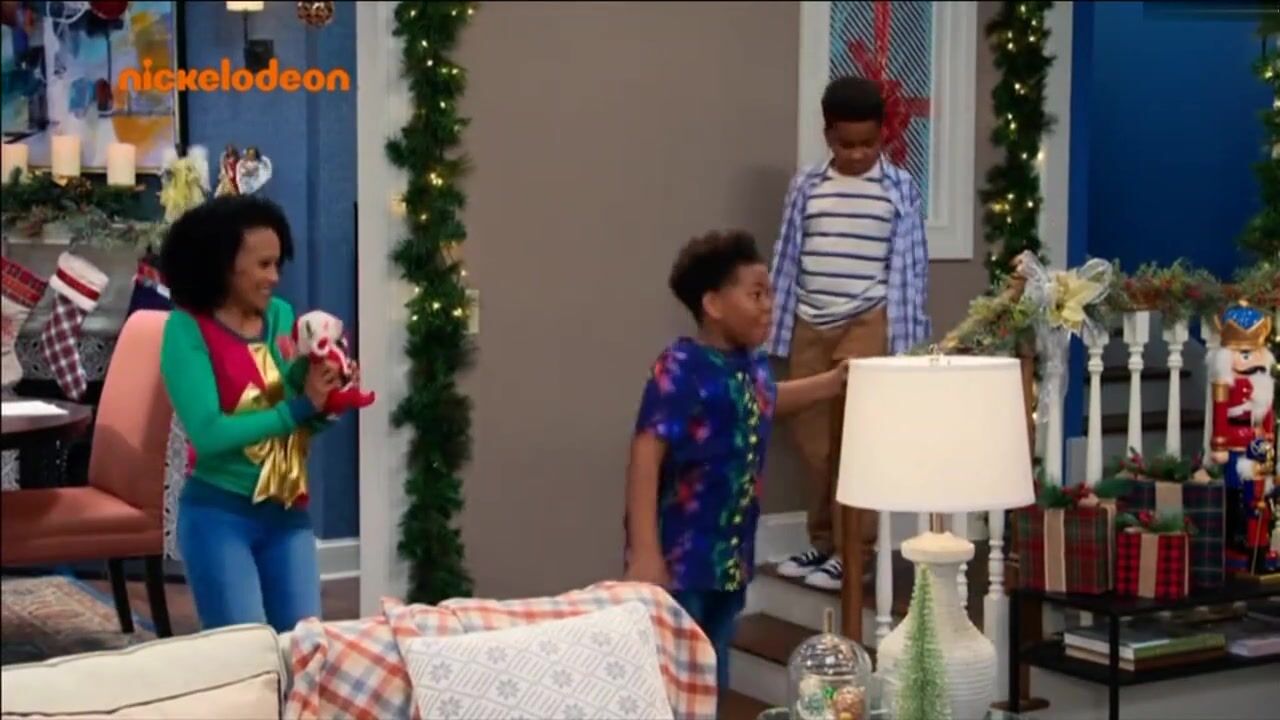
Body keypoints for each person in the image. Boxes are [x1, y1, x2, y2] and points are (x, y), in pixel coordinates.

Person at [625, 230, 850, 694]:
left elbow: (764, 400)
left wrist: (832, 382)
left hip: (731, 560)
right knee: (675, 679)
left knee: (714, 672)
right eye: (756, 294)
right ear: (713, 304)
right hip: (681, 561)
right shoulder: (681, 367)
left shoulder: (753, 365)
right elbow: (646, 453)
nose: (769, 305)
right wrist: (646, 552)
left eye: (770, 294)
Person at [767, 76, 931, 590]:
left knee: (855, 439)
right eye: (846, 144)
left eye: (868, 143)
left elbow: (911, 268)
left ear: (883, 135)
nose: (858, 154)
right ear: (828, 136)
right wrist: (776, 327)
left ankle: (854, 550)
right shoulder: (807, 186)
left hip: (867, 320)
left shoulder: (898, 189)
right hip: (812, 321)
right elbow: (787, 255)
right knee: (814, 442)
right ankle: (822, 541)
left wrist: (906, 344)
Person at [158, 194, 348, 632]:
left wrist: (328, 401)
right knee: (245, 656)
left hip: (289, 514)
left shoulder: (282, 317)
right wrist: (300, 407)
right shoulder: (185, 330)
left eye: (277, 264)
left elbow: (298, 422)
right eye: (263, 265)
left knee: (302, 651)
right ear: (223, 264)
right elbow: (208, 433)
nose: (274, 277)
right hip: (219, 516)